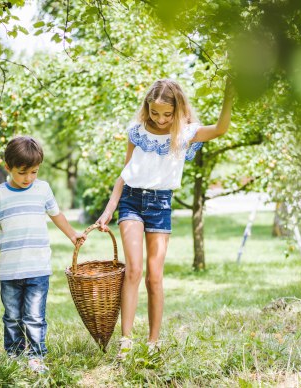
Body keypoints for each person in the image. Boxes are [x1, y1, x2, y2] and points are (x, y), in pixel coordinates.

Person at [97, 78, 234, 359]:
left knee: (154, 277)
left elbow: (220, 129)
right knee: (133, 270)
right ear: (147, 108)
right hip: (131, 200)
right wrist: (110, 207)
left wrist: (229, 96)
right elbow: (126, 171)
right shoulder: (136, 131)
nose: (160, 119)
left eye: (167, 114)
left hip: (160, 205)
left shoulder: (185, 134)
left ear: (178, 110)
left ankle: (153, 341)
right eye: (154, 112)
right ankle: (126, 341)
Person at [0, 136, 85, 373]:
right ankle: (14, 355)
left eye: (34, 172)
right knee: (13, 317)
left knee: (35, 317)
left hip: (38, 267)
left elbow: (57, 215)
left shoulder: (43, 189)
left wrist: (73, 235)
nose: (28, 178)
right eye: (22, 172)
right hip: (10, 270)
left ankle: (36, 356)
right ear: (8, 168)